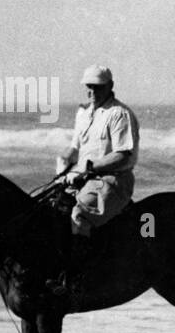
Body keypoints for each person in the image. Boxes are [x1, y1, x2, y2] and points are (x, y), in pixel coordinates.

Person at [47, 64, 140, 295]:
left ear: (110, 86)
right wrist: (63, 162)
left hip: (112, 181)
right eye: (89, 86)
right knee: (50, 207)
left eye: (97, 87)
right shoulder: (83, 113)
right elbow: (74, 148)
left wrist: (88, 169)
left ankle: (76, 279)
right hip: (82, 178)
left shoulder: (119, 114)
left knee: (79, 214)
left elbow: (123, 155)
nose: (92, 91)